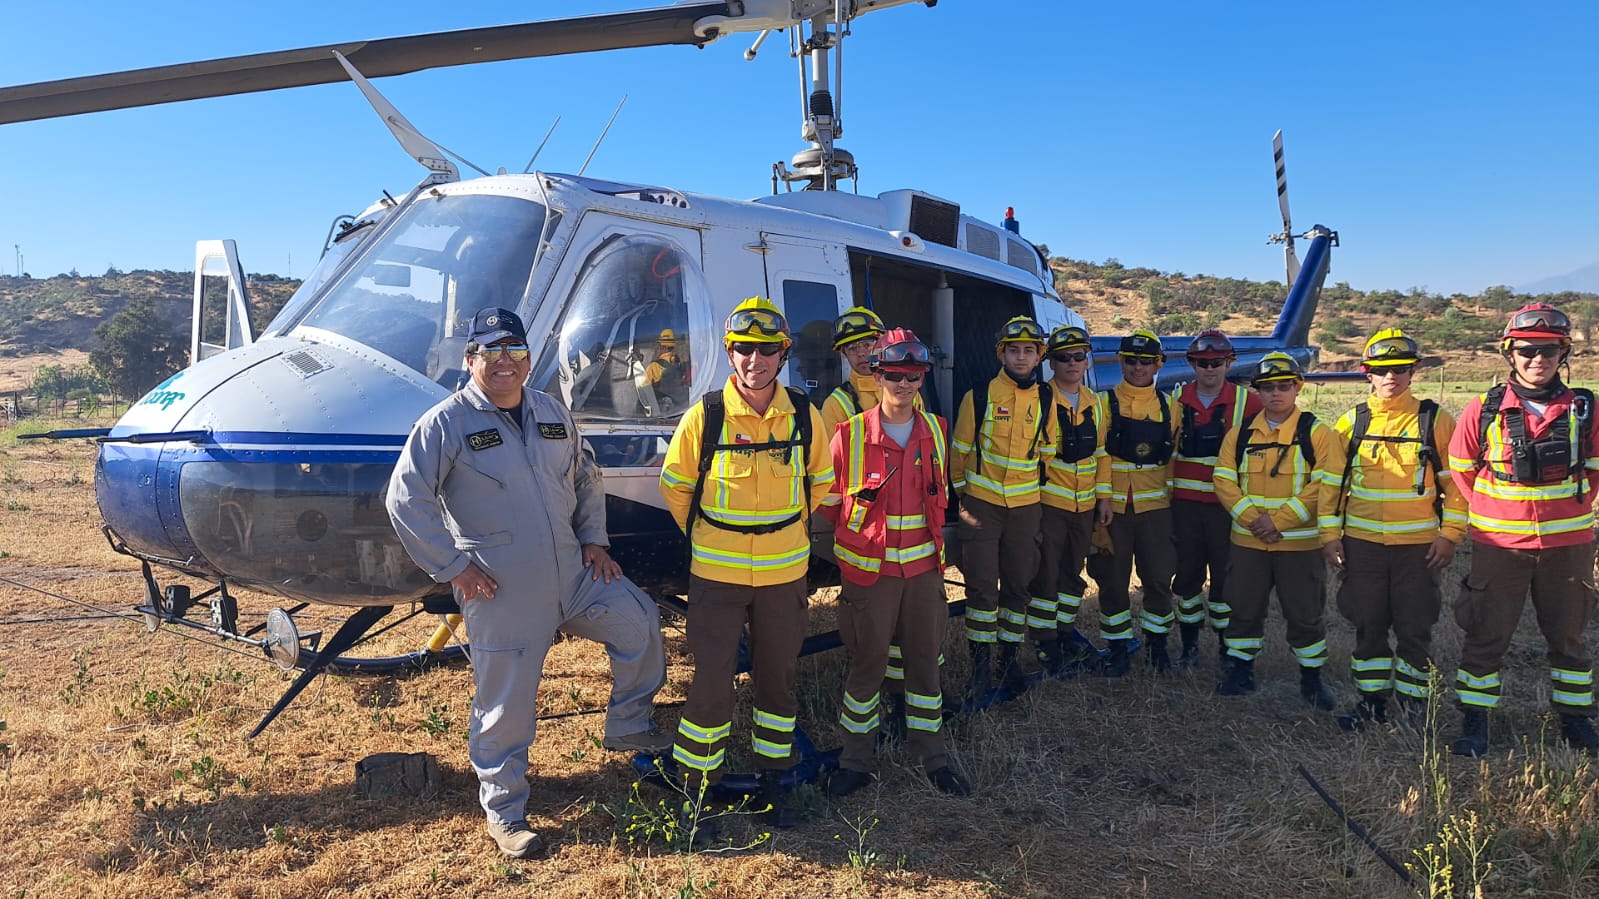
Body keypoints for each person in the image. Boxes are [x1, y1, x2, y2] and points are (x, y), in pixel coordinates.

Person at [386, 307, 670, 859]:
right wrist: (453, 568)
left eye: (514, 352)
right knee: (507, 703)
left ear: (528, 360)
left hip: (573, 569)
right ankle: (506, 813)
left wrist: (594, 539)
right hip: (500, 584)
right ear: (470, 360)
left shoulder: (550, 411)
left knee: (638, 621)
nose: (504, 363)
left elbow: (585, 475)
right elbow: (405, 499)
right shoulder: (445, 423)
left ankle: (630, 723)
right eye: (490, 352)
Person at [659, 296, 834, 829]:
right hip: (716, 578)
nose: (753, 361)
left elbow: (821, 484)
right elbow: (676, 487)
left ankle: (773, 785)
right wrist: (721, 539)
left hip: (785, 577)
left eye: (765, 351)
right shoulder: (705, 416)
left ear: (781, 356)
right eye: (743, 350)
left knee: (777, 682)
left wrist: (779, 537)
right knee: (711, 685)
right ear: (730, 354)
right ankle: (694, 793)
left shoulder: (804, 414)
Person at [822, 328, 971, 797]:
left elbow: (939, 499)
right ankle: (855, 761)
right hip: (871, 574)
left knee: (925, 664)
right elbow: (827, 505)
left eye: (912, 376)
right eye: (894, 375)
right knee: (867, 665)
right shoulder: (849, 436)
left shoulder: (936, 433)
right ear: (877, 374)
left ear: (922, 377)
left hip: (924, 573)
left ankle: (934, 757)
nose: (903, 385)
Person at [1445, 303, 1599, 757]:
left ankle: (1575, 722)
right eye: (1528, 350)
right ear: (1510, 353)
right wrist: (1492, 508)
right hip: (1500, 544)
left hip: (1568, 544)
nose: (1538, 359)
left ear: (1563, 355)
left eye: (1550, 351)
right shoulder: (1485, 408)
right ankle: (1475, 722)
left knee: (1568, 635)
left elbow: (1594, 468)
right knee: (1486, 634)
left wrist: (1573, 508)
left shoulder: (1584, 408)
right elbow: (1460, 466)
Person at [1323, 329, 1466, 730]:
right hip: (1363, 547)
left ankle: (1413, 707)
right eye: (1383, 370)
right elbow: (1333, 487)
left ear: (1413, 371)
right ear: (1368, 373)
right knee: (1368, 626)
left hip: (1418, 549)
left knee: (1414, 628)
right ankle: (1372, 704)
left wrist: (1450, 535)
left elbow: (1457, 487)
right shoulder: (1352, 422)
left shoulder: (1435, 420)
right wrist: (1329, 536)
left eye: (1400, 369)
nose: (1392, 377)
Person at [1212, 352, 1344, 706]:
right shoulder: (1239, 435)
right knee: (1243, 608)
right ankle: (1240, 671)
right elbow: (1223, 480)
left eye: (1284, 386)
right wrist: (1253, 519)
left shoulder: (1317, 433)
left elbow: (1325, 484)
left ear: (1297, 387)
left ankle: (1311, 680)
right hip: (1248, 543)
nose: (1276, 394)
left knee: (1305, 614)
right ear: (1257, 392)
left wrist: (1279, 521)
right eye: (1267, 387)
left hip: (1298, 547)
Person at [950, 315, 1056, 699]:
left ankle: (1007, 664)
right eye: (1014, 350)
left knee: (1018, 586)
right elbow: (959, 453)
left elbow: (1047, 451)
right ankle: (979, 672)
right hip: (982, 508)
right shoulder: (979, 396)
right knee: (981, 590)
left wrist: (1031, 495)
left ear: (1039, 356)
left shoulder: (1046, 398)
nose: (1022, 357)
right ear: (1002, 354)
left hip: (1026, 508)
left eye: (1029, 351)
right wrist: (967, 495)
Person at [1170, 330, 1261, 665]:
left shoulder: (1248, 403)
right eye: (1203, 363)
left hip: (1228, 510)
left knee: (1226, 581)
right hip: (1186, 509)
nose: (1210, 369)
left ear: (1229, 363)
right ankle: (1189, 647)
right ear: (1192, 364)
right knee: (1188, 578)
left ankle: (1226, 648)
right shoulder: (1176, 400)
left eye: (1217, 363)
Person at [1095, 330, 1181, 675]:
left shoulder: (1169, 407)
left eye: (1146, 362)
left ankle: (1157, 647)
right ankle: (1117, 648)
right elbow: (1099, 456)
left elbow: (1174, 457)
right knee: (1112, 580)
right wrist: (1101, 499)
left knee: (1159, 579)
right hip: (1113, 510)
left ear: (1158, 364)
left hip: (1155, 509)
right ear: (1121, 362)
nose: (1138, 367)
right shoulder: (1103, 404)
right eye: (1131, 361)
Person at [1029, 324, 1106, 675]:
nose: (1072, 363)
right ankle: (1045, 641)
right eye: (1063, 357)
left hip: (1085, 506)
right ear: (1051, 363)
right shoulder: (1041, 399)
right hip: (1051, 505)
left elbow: (1102, 455)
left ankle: (1065, 631)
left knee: (1073, 574)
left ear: (1087, 362)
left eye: (1079, 356)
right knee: (1047, 574)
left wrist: (1102, 498)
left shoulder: (1094, 402)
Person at [820, 307, 889, 435]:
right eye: (852, 348)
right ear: (844, 355)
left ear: (882, 346)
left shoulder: (905, 388)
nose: (861, 353)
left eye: (867, 345)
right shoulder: (834, 405)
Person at [638, 328, 690, 413]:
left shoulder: (653, 367)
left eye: (659, 346)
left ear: (663, 347)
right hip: (679, 408)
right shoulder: (680, 364)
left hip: (660, 411)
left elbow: (642, 392)